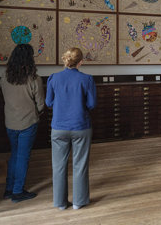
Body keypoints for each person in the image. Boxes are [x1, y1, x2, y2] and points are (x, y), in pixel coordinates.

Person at [46, 47, 96, 210]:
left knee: (59, 166)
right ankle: (78, 202)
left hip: (58, 127)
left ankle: (60, 203)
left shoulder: (53, 78)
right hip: (81, 126)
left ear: (66, 60)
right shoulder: (87, 79)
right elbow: (91, 104)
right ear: (80, 62)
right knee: (80, 164)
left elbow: (48, 102)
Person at [0, 44, 45, 202]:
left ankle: (9, 189)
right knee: (23, 156)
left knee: (14, 155)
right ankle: (18, 192)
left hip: (10, 122)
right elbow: (40, 104)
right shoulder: (34, 79)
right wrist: (38, 111)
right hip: (28, 122)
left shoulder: (4, 77)